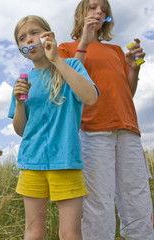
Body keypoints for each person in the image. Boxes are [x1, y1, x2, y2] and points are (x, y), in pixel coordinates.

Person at [58, 0, 154, 239]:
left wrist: (133, 69)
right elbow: (68, 85)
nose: (99, 11)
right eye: (93, 7)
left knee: (138, 197)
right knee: (98, 201)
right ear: (80, 14)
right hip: (92, 129)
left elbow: (126, 93)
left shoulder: (116, 51)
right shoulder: (66, 48)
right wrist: (84, 42)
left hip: (128, 128)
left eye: (104, 9)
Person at [8, 15, 98, 240]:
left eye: (35, 32)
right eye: (22, 38)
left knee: (69, 233)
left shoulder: (71, 66)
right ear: (21, 49)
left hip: (66, 160)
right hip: (31, 162)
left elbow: (91, 97)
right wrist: (19, 102)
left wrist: (57, 59)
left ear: (49, 36)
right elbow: (21, 130)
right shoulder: (24, 80)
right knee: (33, 232)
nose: (29, 40)